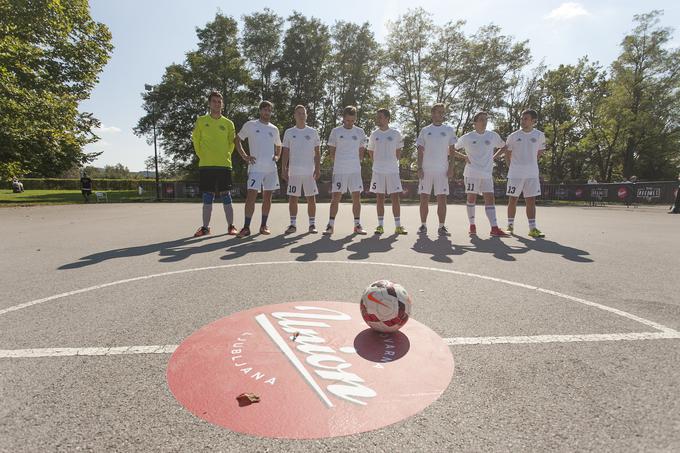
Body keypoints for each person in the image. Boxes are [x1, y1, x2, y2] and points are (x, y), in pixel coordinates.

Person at [453, 111, 509, 237]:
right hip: (471, 173)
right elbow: (450, 149)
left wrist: (494, 157)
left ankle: (494, 228)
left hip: (487, 174)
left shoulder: (492, 135)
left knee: (490, 198)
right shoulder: (467, 137)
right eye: (481, 119)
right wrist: (463, 157)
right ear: (475, 123)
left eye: (486, 119)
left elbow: (504, 146)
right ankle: (472, 226)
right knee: (471, 198)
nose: (484, 122)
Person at [190, 91, 237, 237]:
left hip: (224, 165)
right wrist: (201, 155)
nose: (217, 104)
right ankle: (205, 228)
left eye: (219, 102)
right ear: (209, 103)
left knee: (226, 195)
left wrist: (226, 155)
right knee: (207, 196)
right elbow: (195, 140)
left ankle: (231, 226)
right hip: (206, 165)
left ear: (222, 104)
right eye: (214, 101)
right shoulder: (201, 121)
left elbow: (232, 143)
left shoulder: (228, 123)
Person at [235, 101, 281, 238]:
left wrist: (277, 156)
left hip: (271, 169)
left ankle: (263, 225)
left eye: (269, 110)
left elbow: (279, 145)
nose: (267, 112)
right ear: (260, 111)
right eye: (265, 110)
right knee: (251, 197)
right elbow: (237, 139)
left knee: (268, 197)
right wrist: (244, 156)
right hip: (255, 168)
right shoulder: (251, 125)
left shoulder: (274, 129)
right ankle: (246, 227)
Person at [323, 106, 367, 236]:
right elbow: (332, 152)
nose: (349, 123)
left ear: (355, 119)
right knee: (336, 197)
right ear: (343, 118)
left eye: (352, 121)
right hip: (340, 170)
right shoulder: (336, 131)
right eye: (347, 120)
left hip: (354, 171)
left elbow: (361, 151)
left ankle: (357, 225)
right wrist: (339, 164)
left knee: (356, 197)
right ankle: (330, 225)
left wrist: (356, 163)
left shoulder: (360, 132)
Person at [503, 109, 546, 238]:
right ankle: (510, 226)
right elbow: (507, 153)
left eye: (526, 118)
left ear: (533, 121)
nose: (523, 121)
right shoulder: (513, 136)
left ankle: (532, 228)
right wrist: (511, 166)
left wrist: (530, 163)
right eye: (522, 118)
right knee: (513, 199)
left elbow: (540, 152)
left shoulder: (539, 135)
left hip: (532, 174)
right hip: (515, 174)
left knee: (531, 200)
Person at [416, 103, 457, 236]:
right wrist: (419, 167)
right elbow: (420, 150)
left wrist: (451, 168)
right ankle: (423, 225)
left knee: (442, 199)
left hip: (442, 170)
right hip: (426, 169)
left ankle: (441, 226)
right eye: (438, 112)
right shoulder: (425, 130)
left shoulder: (449, 130)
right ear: (432, 113)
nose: (441, 114)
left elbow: (452, 150)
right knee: (424, 199)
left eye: (442, 112)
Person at [281, 105, 321, 234]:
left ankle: (312, 224)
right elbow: (285, 152)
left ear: (306, 115)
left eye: (303, 113)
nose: (301, 115)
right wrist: (284, 168)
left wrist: (318, 168)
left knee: (311, 198)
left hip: (309, 172)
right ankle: (292, 224)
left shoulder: (313, 132)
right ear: (294, 115)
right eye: (298, 113)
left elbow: (317, 152)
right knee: (293, 198)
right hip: (294, 172)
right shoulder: (289, 132)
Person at [367, 108, 407, 235]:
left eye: (380, 117)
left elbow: (399, 151)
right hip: (378, 171)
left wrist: (392, 162)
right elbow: (370, 151)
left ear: (387, 118)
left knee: (395, 197)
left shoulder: (396, 133)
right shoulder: (374, 134)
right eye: (377, 117)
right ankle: (380, 226)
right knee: (380, 198)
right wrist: (378, 163)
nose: (378, 119)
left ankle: (398, 226)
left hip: (392, 171)